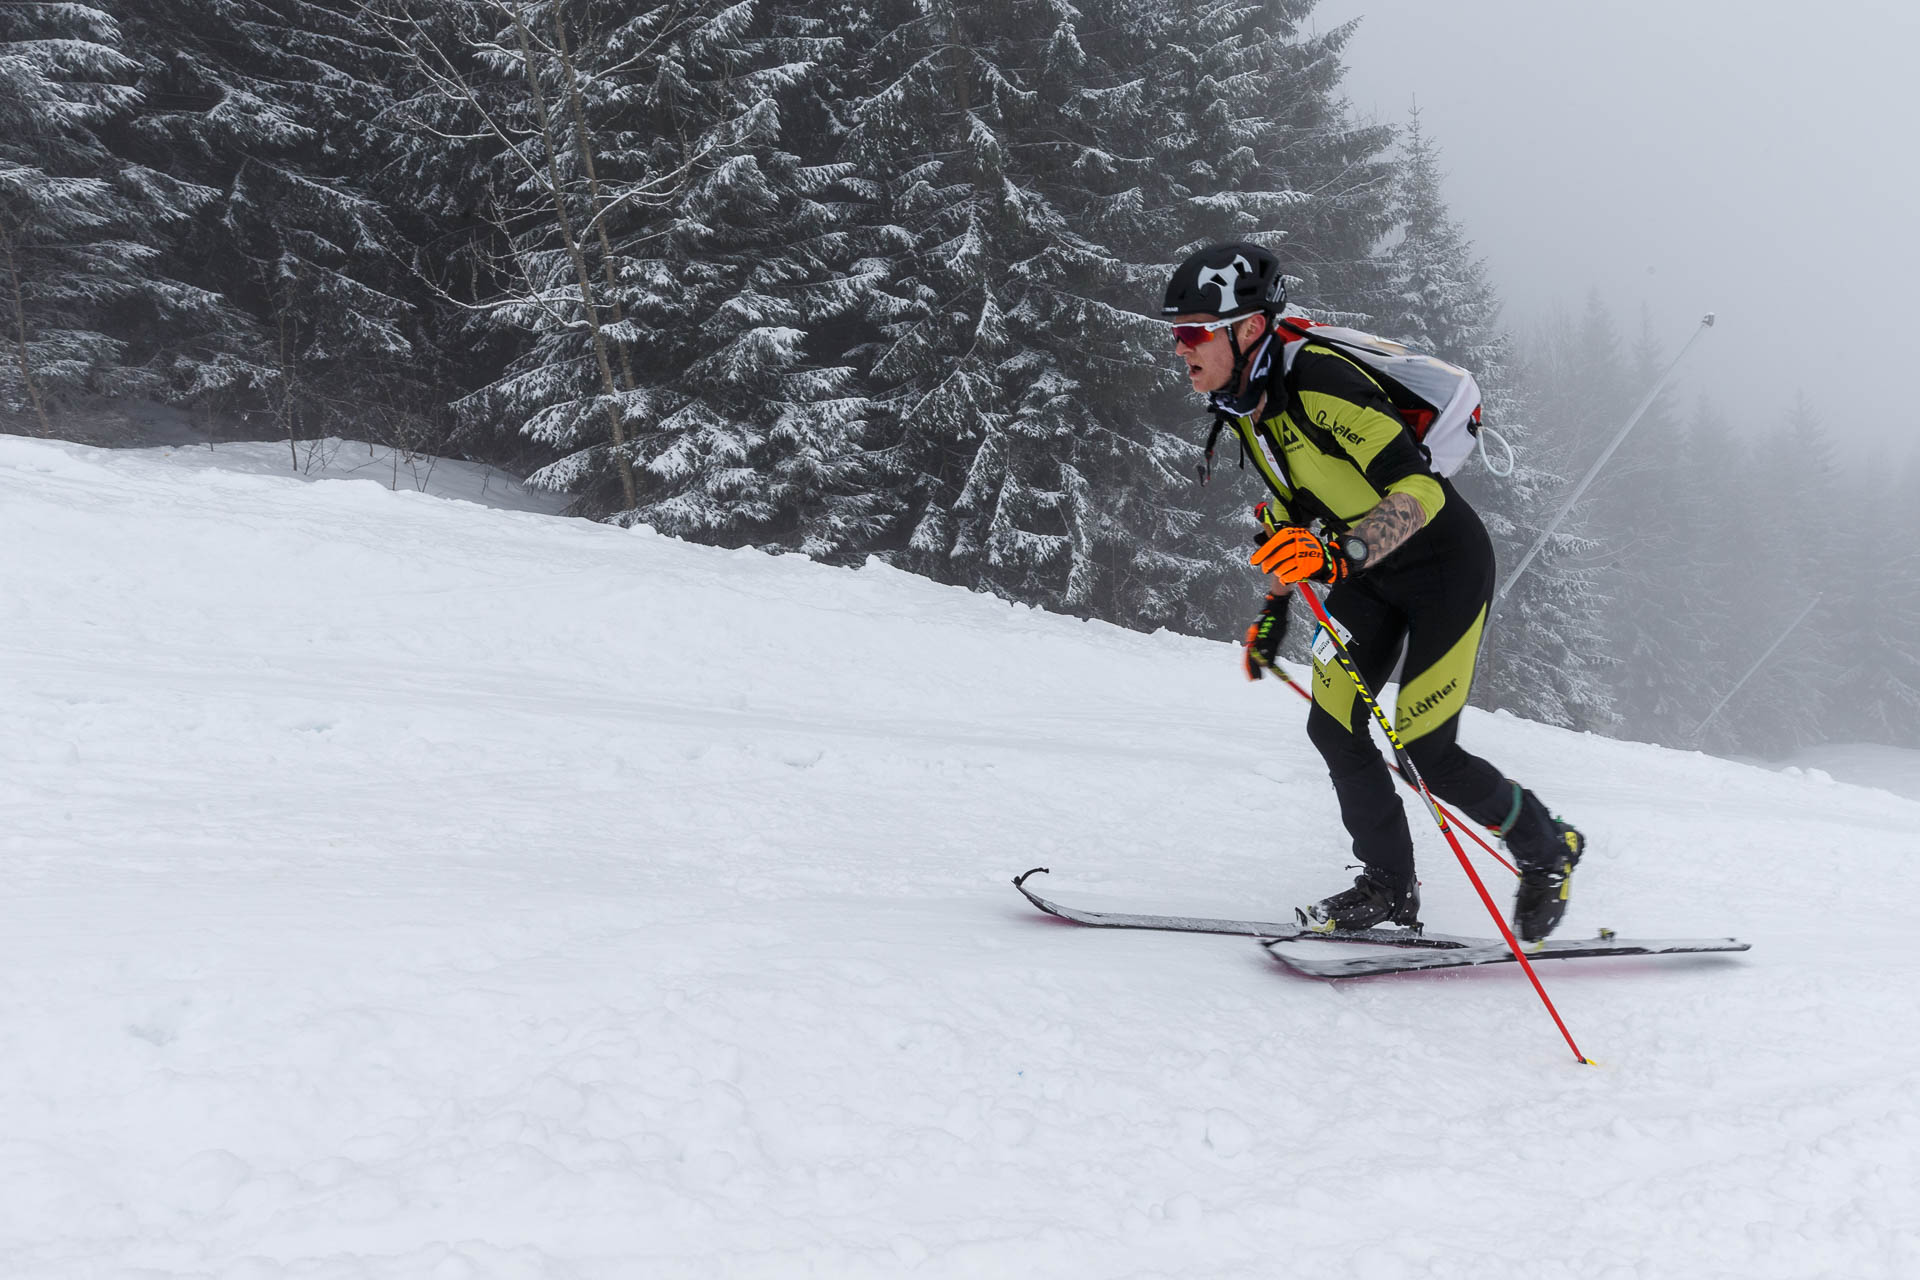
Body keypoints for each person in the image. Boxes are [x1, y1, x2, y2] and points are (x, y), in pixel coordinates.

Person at [1161, 242, 1584, 942]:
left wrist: (1341, 550)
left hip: (1443, 565)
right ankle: (1388, 885)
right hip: (1366, 577)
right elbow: (1291, 511)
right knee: (1331, 725)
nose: (1180, 349)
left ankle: (1548, 847)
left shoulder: (1321, 383)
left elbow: (1418, 486)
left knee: (1426, 748)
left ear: (1250, 329)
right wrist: (1276, 603)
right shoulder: (1243, 403)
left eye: (1193, 332)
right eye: (1175, 333)